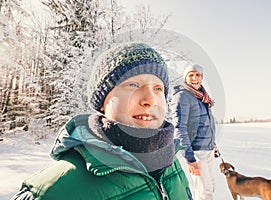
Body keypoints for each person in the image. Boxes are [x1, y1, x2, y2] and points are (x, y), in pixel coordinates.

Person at [11, 43, 192, 200]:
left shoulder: (171, 162)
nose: (150, 100)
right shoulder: (55, 190)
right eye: (133, 85)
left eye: (158, 88)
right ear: (103, 102)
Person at [171, 64, 217, 200]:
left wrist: (212, 143)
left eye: (197, 75)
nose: (194, 78)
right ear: (186, 78)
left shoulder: (203, 98)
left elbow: (205, 124)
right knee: (205, 193)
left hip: (207, 150)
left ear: (201, 78)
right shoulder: (182, 96)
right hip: (196, 152)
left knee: (210, 189)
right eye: (191, 75)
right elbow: (179, 128)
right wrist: (190, 159)